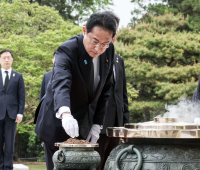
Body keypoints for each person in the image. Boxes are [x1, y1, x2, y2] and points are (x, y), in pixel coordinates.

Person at [34, 12, 116, 170]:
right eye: (95, 41)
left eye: (105, 43)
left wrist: (97, 125)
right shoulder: (67, 50)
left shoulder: (109, 50)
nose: (99, 48)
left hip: (85, 122)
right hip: (57, 121)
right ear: (85, 30)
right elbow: (61, 82)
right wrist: (65, 113)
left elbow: (105, 90)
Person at [94, 11, 129, 170]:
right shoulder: (95, 56)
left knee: (112, 164)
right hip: (99, 124)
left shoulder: (118, 59)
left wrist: (125, 124)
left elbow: (122, 94)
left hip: (116, 125)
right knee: (97, 163)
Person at [0, 49, 25, 170]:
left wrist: (20, 113)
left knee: (10, 143)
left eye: (8, 57)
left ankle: (8, 166)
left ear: (12, 60)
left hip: (12, 114)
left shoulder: (18, 76)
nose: (6, 60)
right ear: (0, 60)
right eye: (4, 57)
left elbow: (21, 96)